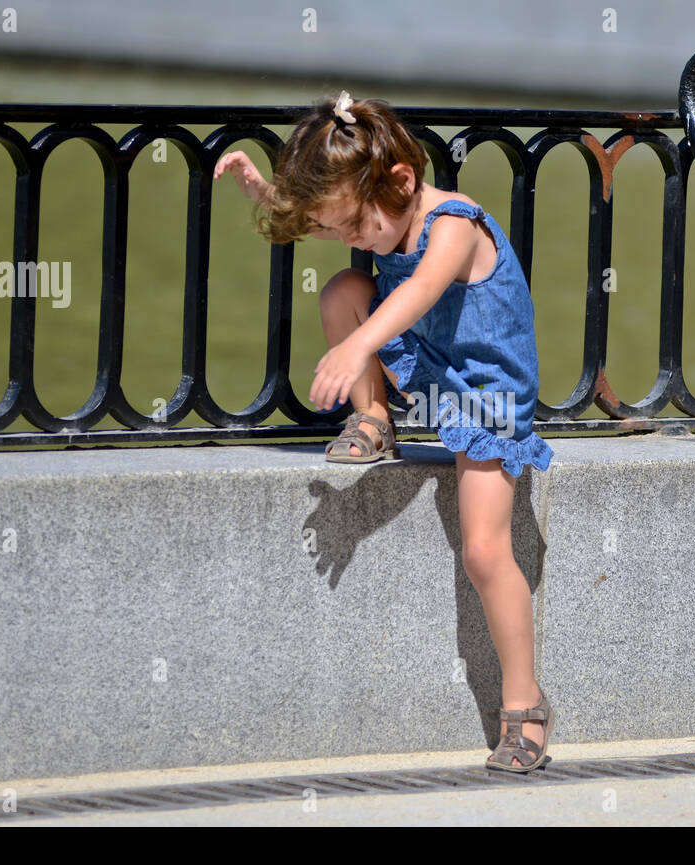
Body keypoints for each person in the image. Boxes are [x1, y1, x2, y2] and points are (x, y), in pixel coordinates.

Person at [213, 90, 555, 771]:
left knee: (485, 552)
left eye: (360, 227)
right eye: (343, 229)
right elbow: (323, 228)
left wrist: (352, 349)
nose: (356, 239)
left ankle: (526, 703)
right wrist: (268, 193)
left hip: (485, 400)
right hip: (433, 372)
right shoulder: (376, 209)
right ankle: (376, 418)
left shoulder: (456, 223)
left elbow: (418, 292)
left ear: (402, 180)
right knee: (342, 287)